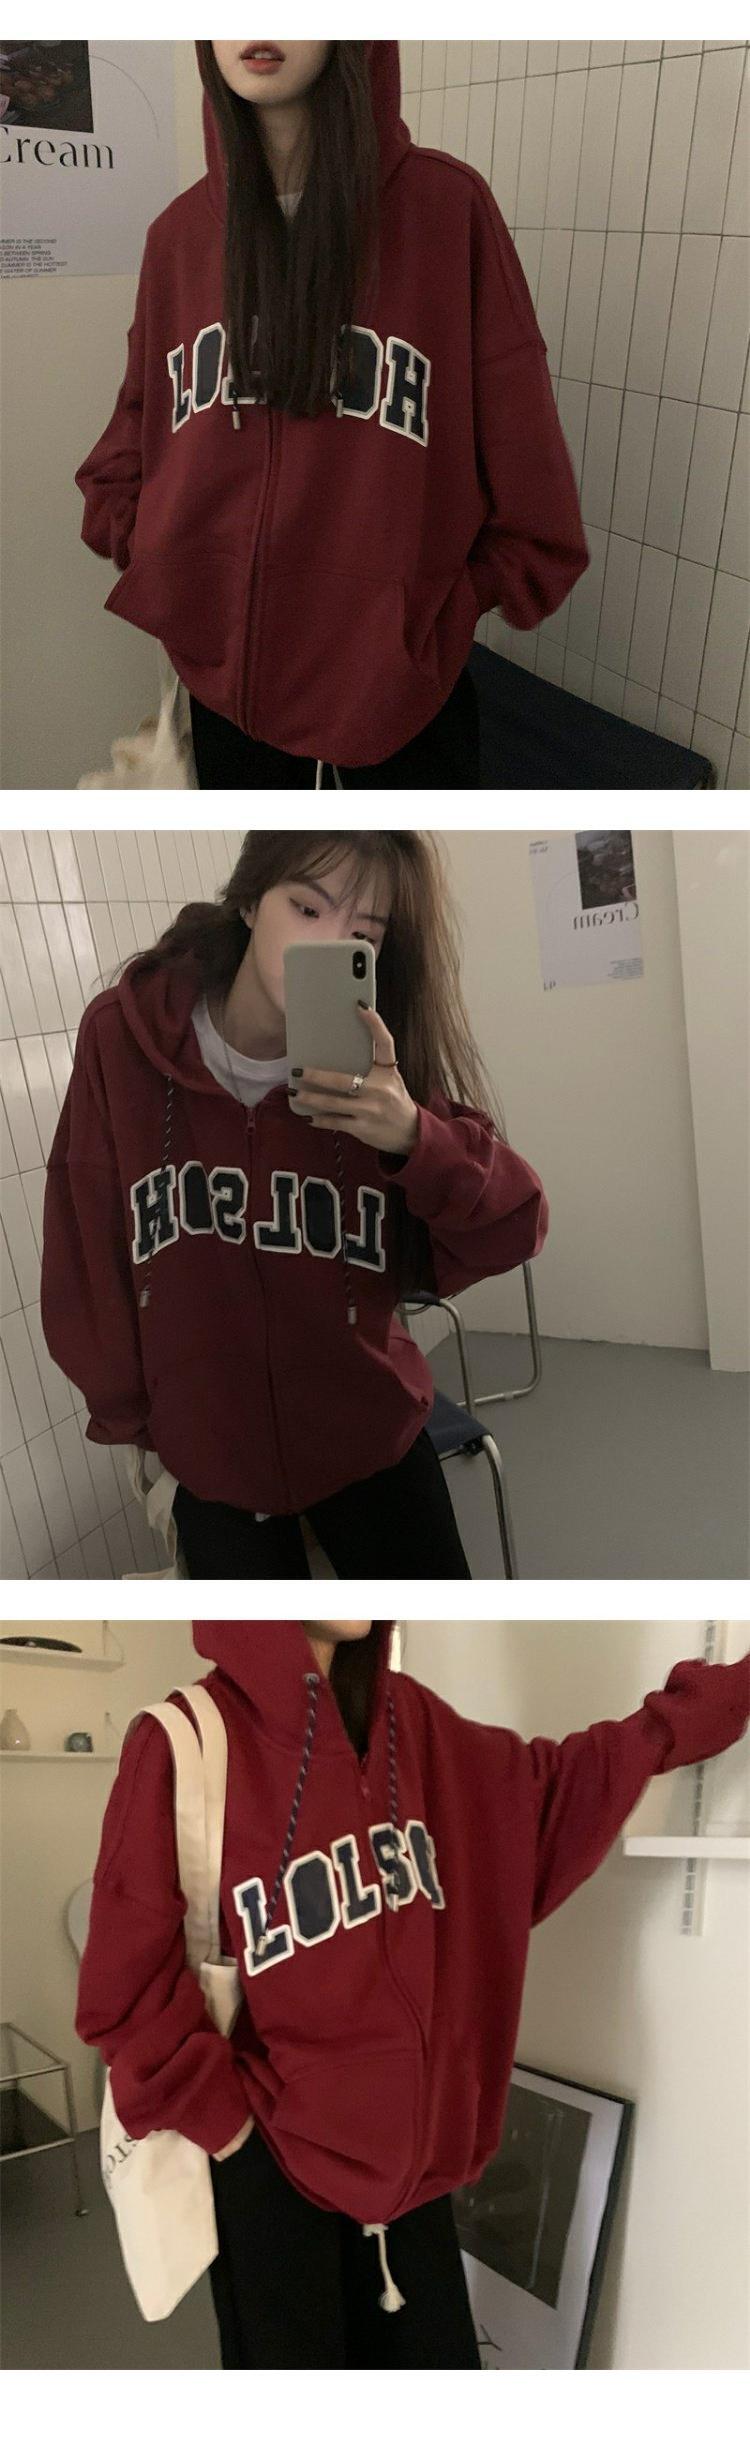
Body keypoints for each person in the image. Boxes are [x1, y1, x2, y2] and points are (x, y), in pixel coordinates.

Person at [75, 1621, 750, 2370]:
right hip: (269, 2171)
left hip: (418, 2182)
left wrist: (674, 1723)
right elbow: (122, 1991)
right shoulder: (182, 1739)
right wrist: (233, 2132)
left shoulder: (417, 1724)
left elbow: (542, 1797)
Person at [73, 40, 589, 791]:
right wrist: (166, 556)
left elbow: (529, 472)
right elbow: (132, 436)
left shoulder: (447, 210)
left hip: (402, 714)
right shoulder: (179, 236)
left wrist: (441, 610)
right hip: (225, 710)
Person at [40, 831, 549, 1581]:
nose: (326, 943)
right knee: (262, 1649)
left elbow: (516, 1225)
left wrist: (414, 1137)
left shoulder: (378, 1066)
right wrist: (147, 1425)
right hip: (207, 1454)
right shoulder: (121, 1040)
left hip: (369, 1436)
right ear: (250, 899)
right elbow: (85, 1239)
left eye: (361, 935)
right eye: (307, 908)